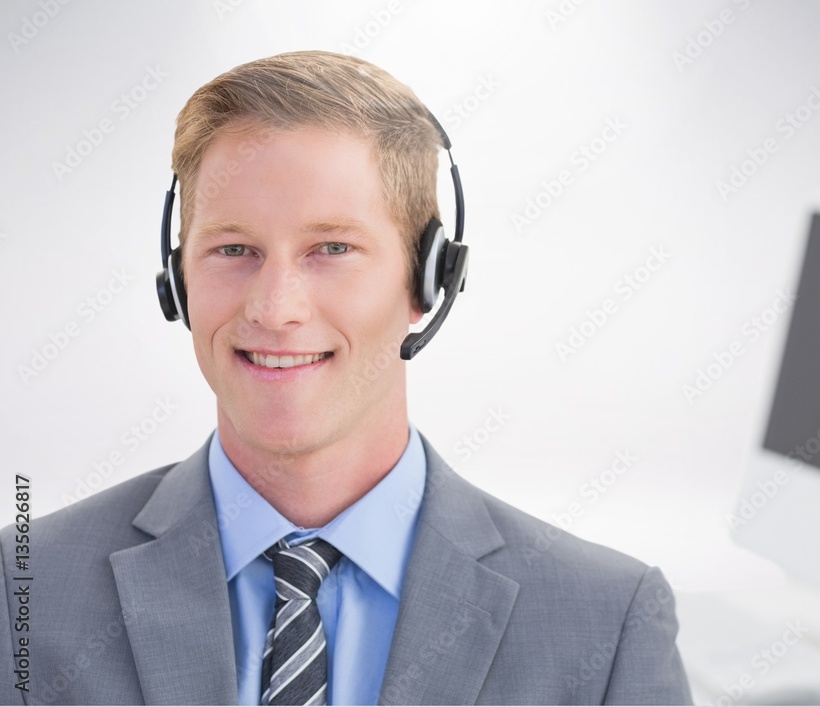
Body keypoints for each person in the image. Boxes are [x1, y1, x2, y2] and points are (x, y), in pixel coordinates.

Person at [0, 51, 691, 706]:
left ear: (429, 280)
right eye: (233, 248)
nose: (275, 308)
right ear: (177, 281)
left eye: (332, 248)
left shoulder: (608, 626)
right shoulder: (23, 589)